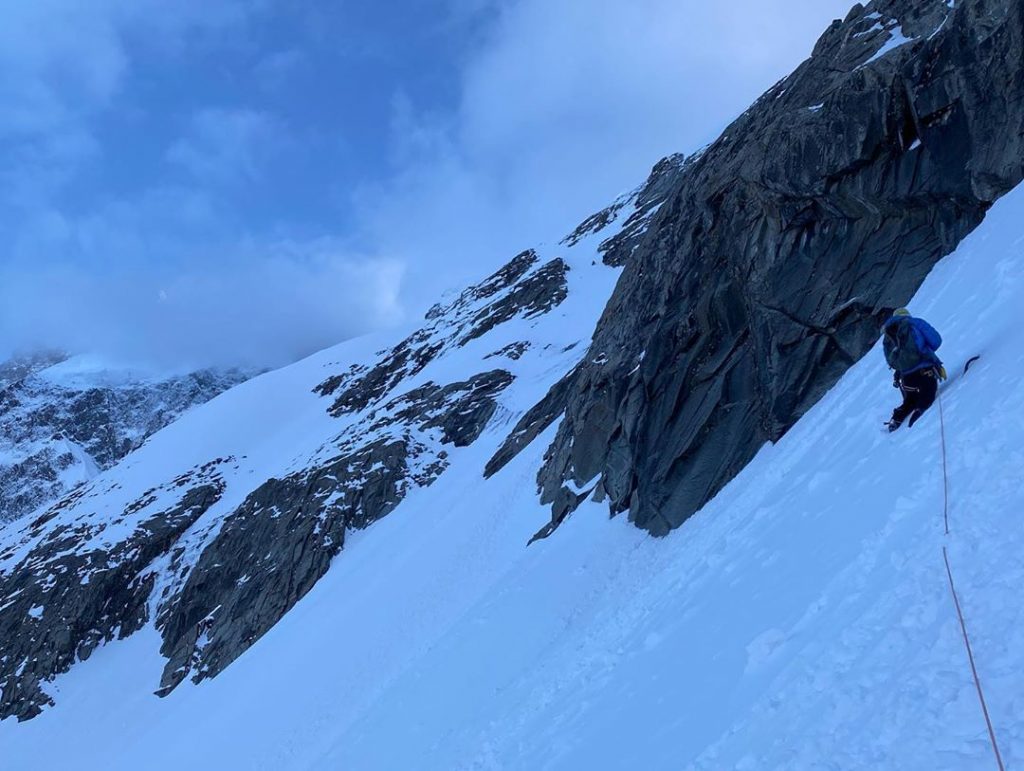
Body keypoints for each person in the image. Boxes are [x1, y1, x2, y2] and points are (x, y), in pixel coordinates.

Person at [883, 308, 947, 432]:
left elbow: (891, 361)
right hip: (925, 372)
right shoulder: (914, 323)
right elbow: (936, 341)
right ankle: (917, 416)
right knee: (927, 397)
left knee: (910, 400)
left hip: (906, 379)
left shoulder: (887, 335)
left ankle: (896, 419)